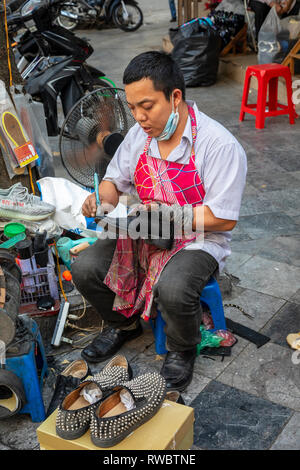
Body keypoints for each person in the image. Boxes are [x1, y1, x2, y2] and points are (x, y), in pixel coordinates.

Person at [72, 51, 247, 392]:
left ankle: (182, 348)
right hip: (143, 227)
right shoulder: (140, 137)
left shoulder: (218, 145)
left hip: (198, 238)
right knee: (86, 268)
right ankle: (122, 325)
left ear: (175, 97)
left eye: (147, 106)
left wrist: (169, 216)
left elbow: (223, 219)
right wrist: (102, 199)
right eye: (132, 107)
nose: (138, 117)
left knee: (174, 288)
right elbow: (113, 181)